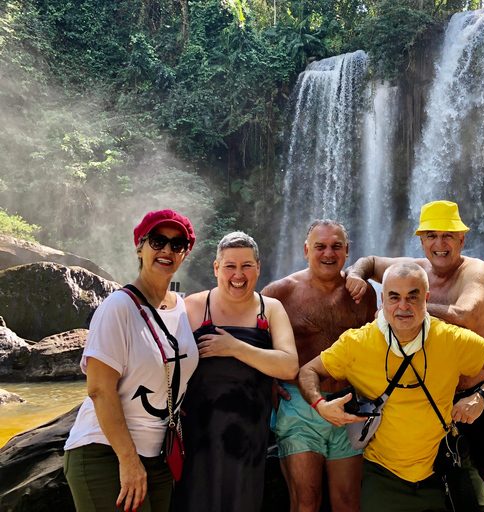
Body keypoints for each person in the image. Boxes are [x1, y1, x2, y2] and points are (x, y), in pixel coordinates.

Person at [299, 262, 484, 512]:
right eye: (394, 297)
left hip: (443, 465)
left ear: (427, 299)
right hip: (384, 474)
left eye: (413, 297)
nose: (403, 306)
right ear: (382, 301)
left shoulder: (449, 338)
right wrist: (320, 405)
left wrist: (482, 397)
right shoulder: (357, 343)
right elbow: (308, 371)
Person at [345, 200, 484, 512]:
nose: (440, 244)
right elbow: (369, 261)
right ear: (421, 240)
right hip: (439, 400)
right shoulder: (416, 270)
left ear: (462, 240)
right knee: (446, 489)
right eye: (431, 236)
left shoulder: (475, 270)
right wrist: (355, 274)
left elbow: (464, 315)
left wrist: (396, 308)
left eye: (448, 236)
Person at [64, 209, 200, 512]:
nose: (166, 250)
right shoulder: (118, 307)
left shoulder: (181, 307)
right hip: (106, 453)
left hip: (159, 455)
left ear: (184, 254)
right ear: (140, 247)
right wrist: (129, 461)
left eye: (176, 244)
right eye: (157, 241)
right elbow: (99, 390)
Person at [175, 232, 299, 512]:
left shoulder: (271, 310)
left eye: (246, 266)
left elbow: (290, 366)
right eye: (230, 266)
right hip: (198, 430)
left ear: (258, 268)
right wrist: (170, 400)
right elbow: (164, 361)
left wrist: (234, 348)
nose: (238, 274)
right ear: (217, 268)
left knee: (242, 501)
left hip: (248, 432)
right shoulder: (193, 306)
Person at [262, 219, 377, 512]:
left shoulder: (362, 294)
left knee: (349, 503)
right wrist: (268, 383)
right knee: (305, 502)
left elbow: (373, 346)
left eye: (336, 246)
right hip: (299, 407)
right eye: (320, 246)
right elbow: (258, 342)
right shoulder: (279, 293)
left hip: (350, 402)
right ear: (305, 250)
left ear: (347, 250)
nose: (328, 253)